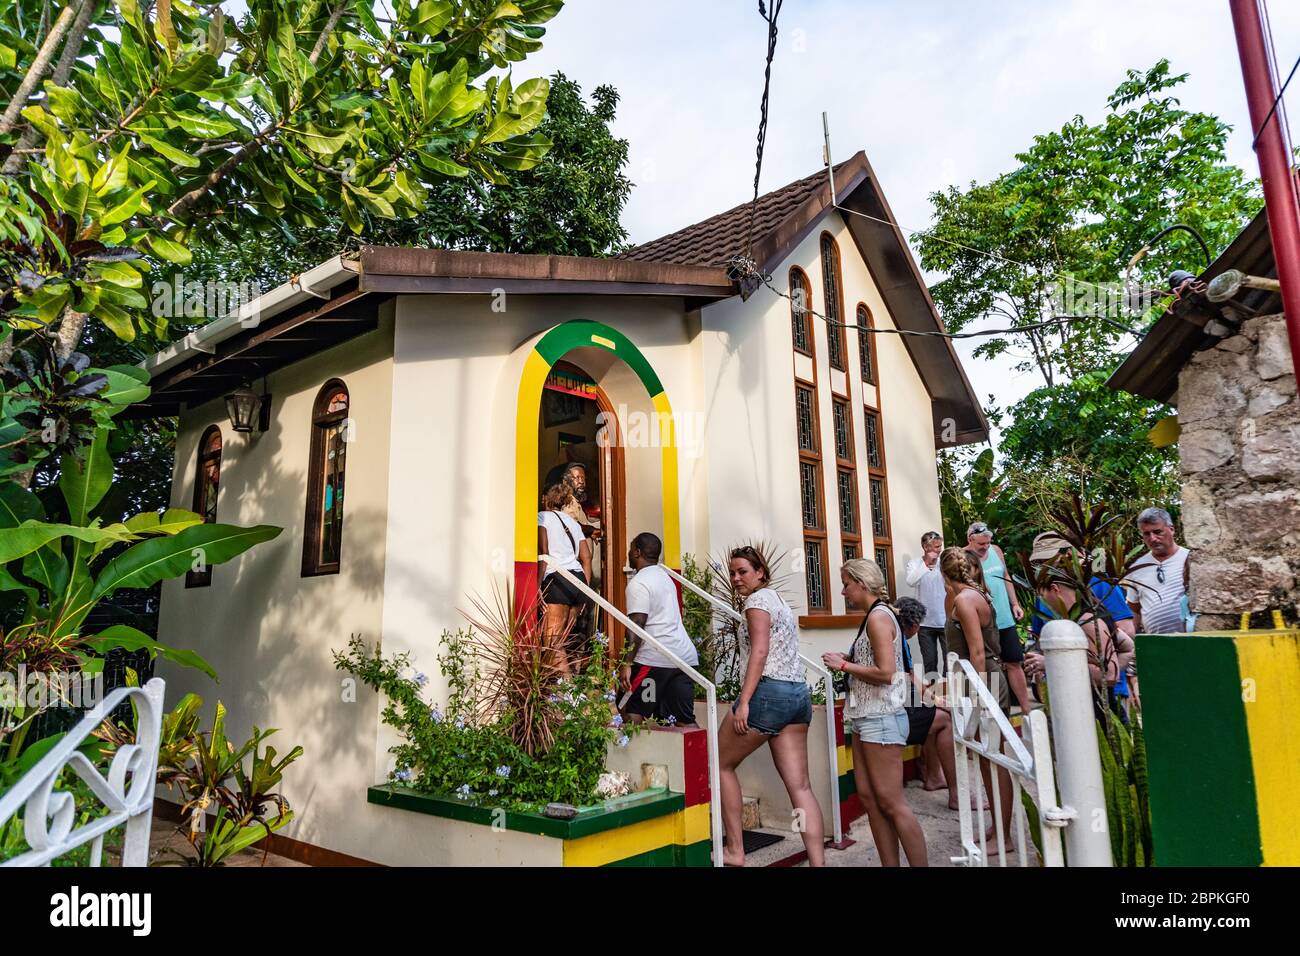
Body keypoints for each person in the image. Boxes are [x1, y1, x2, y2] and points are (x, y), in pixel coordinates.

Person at [718, 546, 824, 867]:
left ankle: (735, 851)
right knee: (801, 786)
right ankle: (819, 863)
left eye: (743, 572)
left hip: (769, 694)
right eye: (733, 573)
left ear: (761, 572)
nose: (736, 578)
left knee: (719, 763)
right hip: (797, 695)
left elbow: (760, 652)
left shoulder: (756, 601)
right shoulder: (777, 600)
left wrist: (745, 702)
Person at [821, 560, 928, 866]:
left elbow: (885, 672)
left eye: (846, 584)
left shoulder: (878, 618)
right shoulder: (876, 616)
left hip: (881, 718)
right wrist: (851, 658)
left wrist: (843, 665)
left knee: (893, 804)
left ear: (862, 585)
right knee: (869, 798)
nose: (843, 591)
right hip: (867, 717)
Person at [941, 546, 1014, 841]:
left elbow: (977, 653)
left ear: (944, 573)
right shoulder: (969, 596)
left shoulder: (966, 599)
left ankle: (1004, 836)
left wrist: (979, 696)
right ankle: (997, 829)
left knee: (993, 759)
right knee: (987, 758)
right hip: (980, 681)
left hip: (986, 682)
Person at [1023, 532, 1137, 714]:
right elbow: (1127, 647)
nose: (1043, 567)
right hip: (1070, 695)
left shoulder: (1095, 598)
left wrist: (1052, 662)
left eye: (1047, 560)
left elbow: (1112, 666)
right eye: (1039, 563)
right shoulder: (1079, 604)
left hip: (1098, 705)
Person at [620, 532, 698, 727]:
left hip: (655, 660)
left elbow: (637, 625)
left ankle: (629, 756)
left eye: (631, 548)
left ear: (637, 552)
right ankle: (706, 758)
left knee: (629, 710)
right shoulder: (665, 578)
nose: (629, 553)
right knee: (684, 721)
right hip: (683, 659)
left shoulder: (638, 583)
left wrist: (627, 664)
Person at [894, 596, 959, 812]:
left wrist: (936, 699)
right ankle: (956, 794)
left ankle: (933, 776)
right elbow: (906, 680)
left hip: (900, 708)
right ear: (913, 625)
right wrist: (936, 701)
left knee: (935, 713)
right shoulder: (896, 643)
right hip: (895, 716)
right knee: (945, 721)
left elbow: (911, 677)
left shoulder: (897, 640)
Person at [965, 521, 1033, 716]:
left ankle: (1026, 709)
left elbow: (1006, 577)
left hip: (1004, 617)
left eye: (988, 543)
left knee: (1014, 661)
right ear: (970, 540)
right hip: (983, 622)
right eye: (981, 544)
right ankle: (991, 709)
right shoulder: (963, 556)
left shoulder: (996, 550)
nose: (985, 547)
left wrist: (1015, 604)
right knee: (987, 663)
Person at [536, 483, 592, 675]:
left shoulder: (542, 517)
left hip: (557, 579)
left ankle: (570, 695)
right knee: (564, 642)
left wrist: (537, 588)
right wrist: (585, 587)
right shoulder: (573, 523)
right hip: (576, 580)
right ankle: (561, 693)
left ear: (546, 499)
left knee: (552, 642)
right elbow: (587, 557)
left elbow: (544, 552)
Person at [1123, 507, 1189, 635]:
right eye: (1146, 534)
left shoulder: (1190, 559)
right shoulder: (1137, 568)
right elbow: (1134, 610)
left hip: (1192, 641)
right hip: (1156, 645)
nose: (1152, 538)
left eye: (1158, 532)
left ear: (1172, 529)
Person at [904, 531, 947, 677]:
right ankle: (935, 696)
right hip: (925, 623)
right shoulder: (915, 564)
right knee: (930, 662)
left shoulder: (944, 563)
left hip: (945, 621)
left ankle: (950, 693)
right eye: (935, 547)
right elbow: (910, 581)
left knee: (951, 661)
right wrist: (926, 564)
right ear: (925, 547)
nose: (939, 550)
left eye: (940, 546)